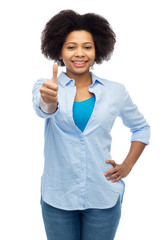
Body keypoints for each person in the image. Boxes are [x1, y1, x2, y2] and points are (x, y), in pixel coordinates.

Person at [32, 10, 150, 240]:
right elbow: (45, 109)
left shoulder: (115, 91)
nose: (80, 53)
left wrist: (127, 166)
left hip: (102, 195)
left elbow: (141, 128)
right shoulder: (46, 86)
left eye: (87, 47)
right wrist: (49, 100)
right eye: (71, 46)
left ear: (97, 50)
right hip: (58, 196)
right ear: (59, 50)